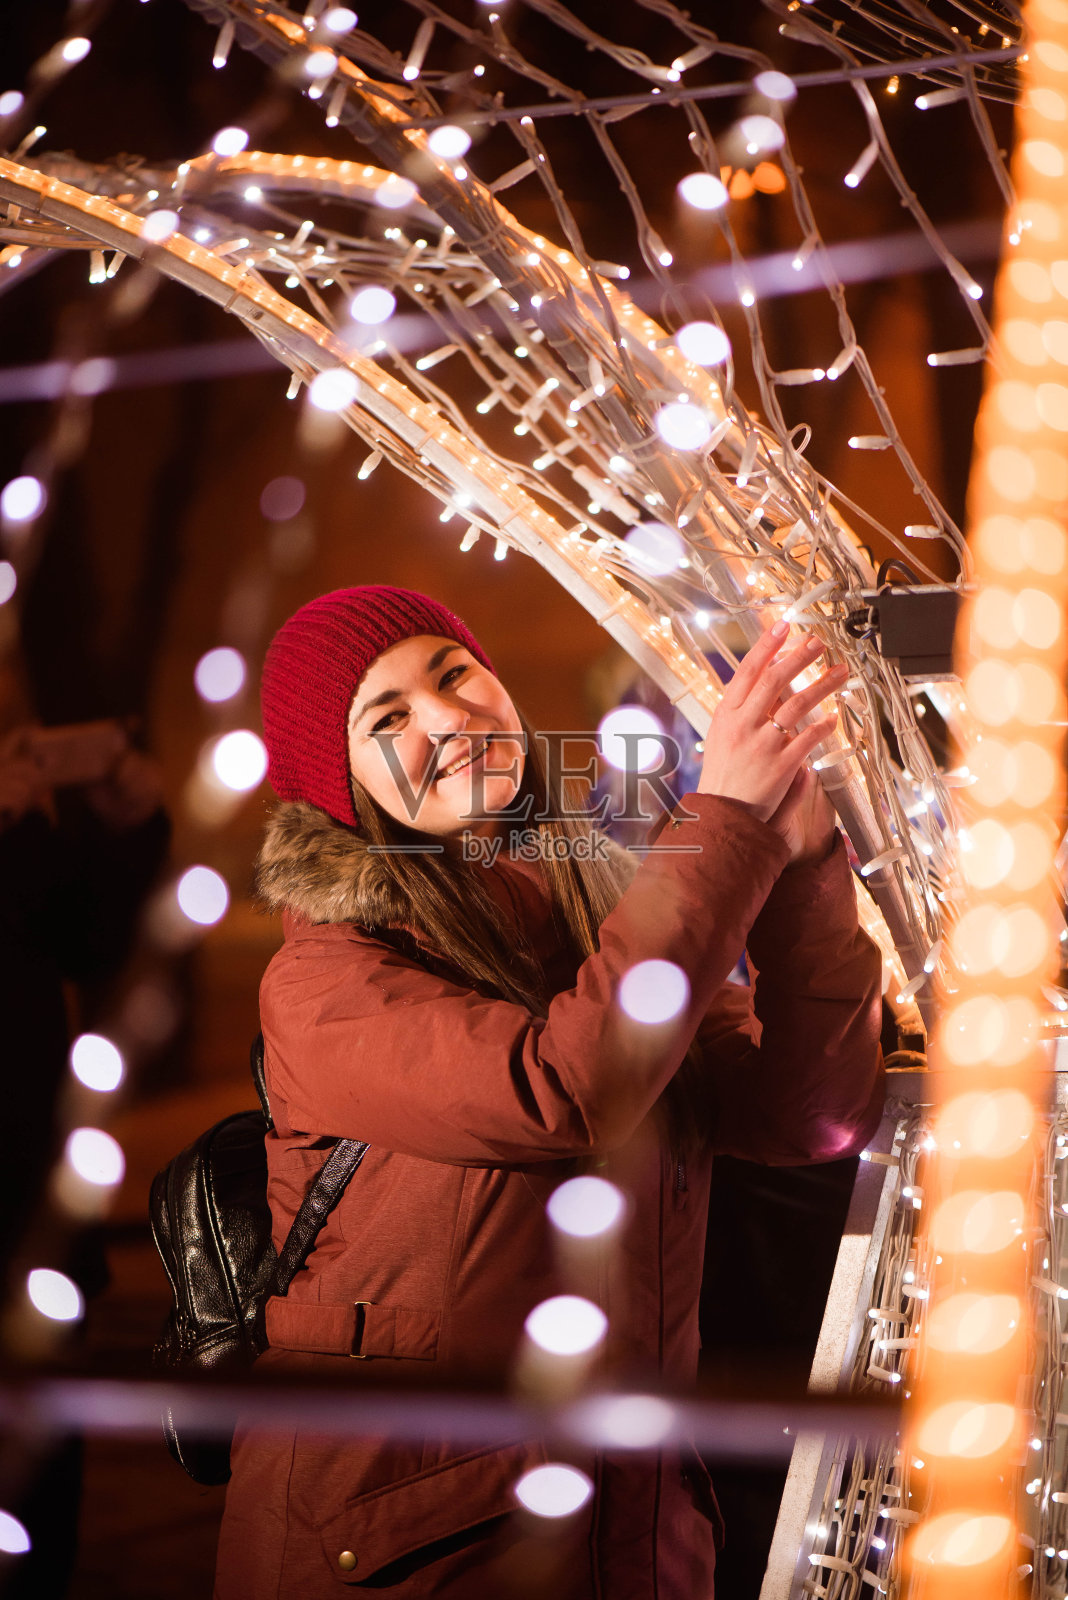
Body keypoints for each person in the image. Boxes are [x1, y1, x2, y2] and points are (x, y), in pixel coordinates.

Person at [214, 584, 883, 1599]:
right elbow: (565, 1087)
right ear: (340, 785)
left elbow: (808, 1118)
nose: (445, 719)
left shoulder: (606, 906)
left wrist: (800, 861)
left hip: (633, 1525)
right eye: (386, 717)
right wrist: (730, 827)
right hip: (408, 1551)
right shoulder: (326, 981)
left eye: (453, 674)